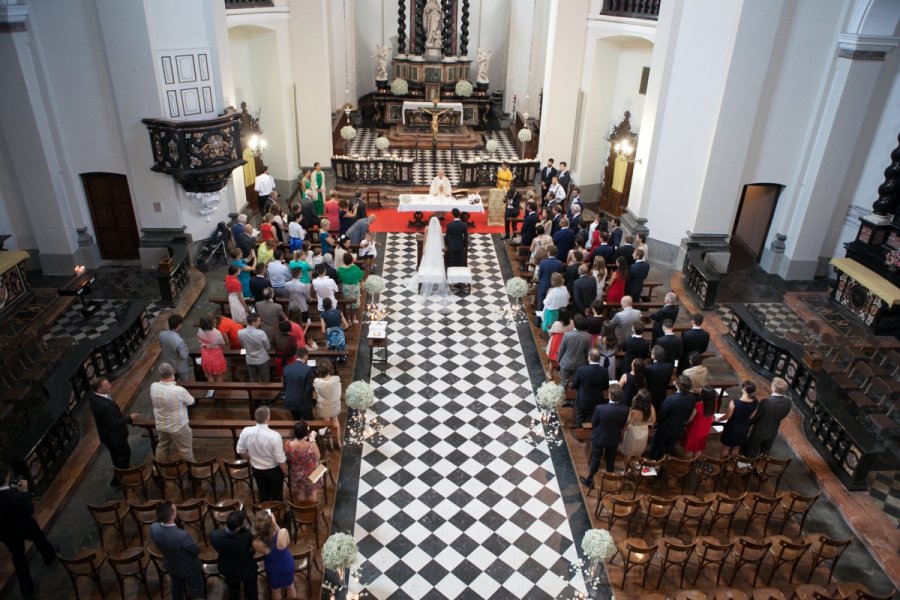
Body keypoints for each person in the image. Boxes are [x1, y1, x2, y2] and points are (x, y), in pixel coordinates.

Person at [0, 463, 57, 598]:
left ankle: (27, 589)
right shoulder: (16, 495)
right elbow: (29, 509)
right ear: (7, 477)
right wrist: (24, 490)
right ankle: (49, 556)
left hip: (7, 533)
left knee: (18, 556)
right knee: (39, 538)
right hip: (25, 525)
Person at [89, 377, 139, 485]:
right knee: (124, 454)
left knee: (116, 455)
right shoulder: (104, 405)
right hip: (114, 436)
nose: (110, 386)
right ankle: (118, 480)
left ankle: (124, 469)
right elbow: (113, 424)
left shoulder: (94, 397)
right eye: (106, 385)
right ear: (99, 389)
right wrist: (130, 418)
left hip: (106, 436)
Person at [149, 501, 204, 600]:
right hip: (188, 567)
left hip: (171, 565)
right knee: (195, 590)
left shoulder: (154, 528)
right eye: (175, 509)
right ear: (172, 516)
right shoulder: (182, 535)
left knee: (176, 587)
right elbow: (196, 550)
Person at [580, 386, 630, 486]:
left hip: (600, 437)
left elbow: (594, 423)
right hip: (614, 438)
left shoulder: (600, 408)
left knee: (596, 459)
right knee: (610, 459)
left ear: (610, 395)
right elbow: (622, 424)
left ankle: (590, 480)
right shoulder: (625, 409)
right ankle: (610, 479)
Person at [237, 406, 288, 501]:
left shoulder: (246, 431)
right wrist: (285, 471)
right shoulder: (274, 436)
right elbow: (280, 459)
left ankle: (265, 513)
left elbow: (240, 450)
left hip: (257, 469)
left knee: (263, 494)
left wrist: (250, 459)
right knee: (277, 496)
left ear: (255, 417)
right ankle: (276, 513)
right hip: (273, 470)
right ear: (268, 417)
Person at [150, 363, 195, 462]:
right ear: (173, 372)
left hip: (161, 424)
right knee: (185, 449)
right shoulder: (178, 390)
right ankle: (192, 470)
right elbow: (191, 401)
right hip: (178, 426)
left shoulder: (153, 386)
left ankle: (158, 469)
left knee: (162, 445)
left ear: (159, 374)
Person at [211, 510, 258, 600]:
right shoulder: (246, 537)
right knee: (251, 592)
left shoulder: (215, 535)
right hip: (246, 569)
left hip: (228, 568)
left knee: (233, 591)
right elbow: (252, 551)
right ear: (238, 527)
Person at [743, 377, 793, 457]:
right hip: (773, 431)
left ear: (773, 387)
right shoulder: (788, 402)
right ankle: (760, 468)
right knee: (765, 454)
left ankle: (747, 467)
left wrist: (747, 423)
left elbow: (756, 417)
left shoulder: (766, 401)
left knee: (751, 452)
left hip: (759, 431)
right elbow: (784, 415)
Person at [252, 510, 296, 599]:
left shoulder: (256, 543)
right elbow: (286, 542)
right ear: (272, 522)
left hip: (273, 567)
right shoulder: (282, 533)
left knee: (276, 590)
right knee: (290, 586)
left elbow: (264, 550)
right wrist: (275, 524)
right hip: (286, 564)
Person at [650, 375, 696, 460]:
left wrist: (657, 421)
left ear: (678, 385)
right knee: (670, 446)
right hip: (679, 426)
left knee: (657, 445)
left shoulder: (670, 399)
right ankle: (667, 460)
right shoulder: (692, 398)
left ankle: (654, 461)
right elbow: (689, 412)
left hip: (665, 427)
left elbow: (661, 414)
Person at [413, 216, 451, 302]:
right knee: (437, 263)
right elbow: (441, 238)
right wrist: (444, 247)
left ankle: (427, 277)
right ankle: (437, 277)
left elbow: (425, 239)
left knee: (427, 262)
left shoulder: (427, 228)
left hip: (429, 247)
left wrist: (423, 249)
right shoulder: (439, 228)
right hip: (436, 248)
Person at [719, 380, 759, 457]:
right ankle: (731, 463)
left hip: (732, 428)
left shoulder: (735, 402)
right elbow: (751, 416)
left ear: (743, 389)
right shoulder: (755, 402)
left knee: (726, 447)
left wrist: (718, 419)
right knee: (736, 447)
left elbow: (727, 416)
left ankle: (722, 464)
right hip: (744, 427)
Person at [284, 421, 322, 503]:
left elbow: (287, 458)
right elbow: (318, 457)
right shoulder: (311, 445)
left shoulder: (287, 444)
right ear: (306, 433)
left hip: (296, 473)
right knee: (320, 467)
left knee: (300, 493)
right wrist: (312, 440)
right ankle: (312, 505)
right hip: (311, 473)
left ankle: (303, 508)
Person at [571, 348, 610, 428]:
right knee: (593, 417)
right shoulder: (604, 371)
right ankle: (591, 434)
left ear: (589, 358)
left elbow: (575, 384)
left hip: (583, 399)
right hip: (597, 399)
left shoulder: (581, 370)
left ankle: (579, 434)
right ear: (599, 359)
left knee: (580, 416)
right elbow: (606, 386)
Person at [620, 388, 655, 467]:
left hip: (633, 432)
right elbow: (653, 421)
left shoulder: (634, 411)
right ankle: (637, 468)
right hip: (644, 431)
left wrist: (623, 431)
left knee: (628, 454)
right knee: (639, 452)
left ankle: (626, 470)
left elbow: (628, 422)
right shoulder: (652, 408)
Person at [680, 387, 718, 458]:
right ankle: (694, 462)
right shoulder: (715, 403)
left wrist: (685, 423)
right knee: (699, 448)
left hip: (694, 430)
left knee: (690, 449)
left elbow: (690, 419)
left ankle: (688, 464)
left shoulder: (698, 406)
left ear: (703, 395)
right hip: (705, 430)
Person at [557, 314, 592, 389]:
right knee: (576, 384)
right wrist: (587, 363)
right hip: (580, 364)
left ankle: (564, 398)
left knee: (563, 383)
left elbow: (561, 349)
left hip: (566, 363)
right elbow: (587, 352)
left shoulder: (567, 335)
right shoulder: (587, 336)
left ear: (574, 324)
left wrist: (559, 360)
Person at [313, 359, 342, 444]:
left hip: (323, 406)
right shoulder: (336, 379)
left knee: (326, 421)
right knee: (335, 420)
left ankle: (329, 440)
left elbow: (316, 395)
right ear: (330, 369)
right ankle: (339, 442)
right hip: (334, 405)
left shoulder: (317, 381)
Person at [238, 313, 272, 383]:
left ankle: (254, 393)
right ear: (253, 322)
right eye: (258, 320)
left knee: (253, 380)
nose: (260, 322)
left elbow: (243, 345)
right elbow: (268, 346)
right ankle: (266, 393)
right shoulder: (261, 333)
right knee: (265, 379)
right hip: (262, 359)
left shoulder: (240, 332)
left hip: (250, 359)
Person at [283, 348, 315, 420]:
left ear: (296, 356)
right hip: (303, 402)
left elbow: (285, 386)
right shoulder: (308, 369)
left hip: (290, 400)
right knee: (309, 422)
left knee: (296, 421)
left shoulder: (286, 368)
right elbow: (308, 388)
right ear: (306, 356)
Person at [159, 314, 191, 381]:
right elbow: (184, 356)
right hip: (180, 366)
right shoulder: (179, 341)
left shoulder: (162, 334)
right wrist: (187, 349)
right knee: (185, 383)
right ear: (179, 325)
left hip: (168, 364)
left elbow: (162, 346)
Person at [198, 313, 228, 383]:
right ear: (211, 323)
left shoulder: (200, 330)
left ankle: (211, 390)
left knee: (209, 375)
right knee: (219, 375)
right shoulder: (216, 333)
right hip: (215, 355)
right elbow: (222, 343)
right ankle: (220, 391)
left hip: (205, 353)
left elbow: (200, 340)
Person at [535, 245, 564, 316]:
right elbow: (559, 275)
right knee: (552, 303)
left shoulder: (543, 262)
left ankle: (538, 320)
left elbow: (539, 275)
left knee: (541, 303)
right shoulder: (559, 263)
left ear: (548, 253)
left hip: (544, 285)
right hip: (554, 286)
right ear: (556, 253)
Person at [645, 345, 674, 413]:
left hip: (651, 392)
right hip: (663, 391)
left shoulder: (648, 368)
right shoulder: (669, 366)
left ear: (654, 356)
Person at [338, 252, 365, 323]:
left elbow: (339, 278)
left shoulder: (340, 269)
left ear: (344, 260)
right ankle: (354, 319)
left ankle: (349, 319)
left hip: (345, 288)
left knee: (347, 302)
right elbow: (361, 277)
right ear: (351, 260)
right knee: (355, 302)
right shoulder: (355, 268)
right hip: (355, 287)